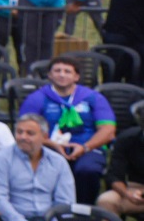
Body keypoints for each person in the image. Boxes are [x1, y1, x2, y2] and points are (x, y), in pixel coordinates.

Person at [19, 57, 117, 203]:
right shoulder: (37, 98)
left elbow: (108, 130)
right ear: (50, 75)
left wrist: (85, 147)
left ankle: (84, 211)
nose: (62, 75)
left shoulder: (93, 97)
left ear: (76, 77)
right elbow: (24, 131)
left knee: (87, 170)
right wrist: (53, 145)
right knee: (46, 170)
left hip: (88, 148)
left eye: (67, 71)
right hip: (48, 147)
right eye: (57, 71)